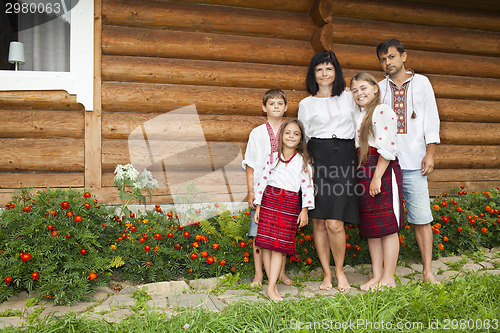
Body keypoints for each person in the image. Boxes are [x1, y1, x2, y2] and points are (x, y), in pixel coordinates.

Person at [376, 38, 441, 284]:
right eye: (383, 59)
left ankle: (427, 272)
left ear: (404, 56)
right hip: (387, 164)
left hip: (415, 162)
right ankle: (383, 274)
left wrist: (430, 152)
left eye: (391, 57)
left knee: (422, 218)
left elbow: (431, 119)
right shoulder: (379, 88)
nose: (387, 63)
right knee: (385, 220)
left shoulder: (422, 83)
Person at [298, 50, 359, 292]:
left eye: (329, 68)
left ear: (336, 72)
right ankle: (326, 273)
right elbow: (304, 138)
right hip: (318, 160)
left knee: (335, 222)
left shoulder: (348, 97)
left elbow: (360, 126)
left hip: (344, 158)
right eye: (319, 69)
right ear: (313, 74)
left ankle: (340, 270)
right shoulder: (306, 103)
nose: (324, 73)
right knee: (320, 221)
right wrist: (307, 169)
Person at [350, 72, 405, 291]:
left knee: (388, 226)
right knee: (372, 227)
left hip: (380, 170)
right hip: (365, 169)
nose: (358, 93)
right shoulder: (361, 115)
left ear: (375, 88)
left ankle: (388, 277)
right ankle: (377, 274)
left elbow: (388, 148)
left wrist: (376, 178)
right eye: (354, 90)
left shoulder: (382, 110)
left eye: (363, 88)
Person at [253, 119, 314, 301]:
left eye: (296, 134)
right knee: (266, 244)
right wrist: (258, 205)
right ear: (281, 136)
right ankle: (270, 284)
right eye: (288, 132)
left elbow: (308, 186)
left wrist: (305, 210)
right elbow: (262, 181)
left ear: (301, 138)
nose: (291, 136)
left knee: (279, 247)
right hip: (269, 201)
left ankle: (271, 287)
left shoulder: (303, 161)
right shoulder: (272, 157)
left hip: (289, 204)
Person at [242, 88, 292, 287]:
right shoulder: (256, 133)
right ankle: (258, 275)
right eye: (271, 103)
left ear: (286, 107)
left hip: (285, 190)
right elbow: (250, 164)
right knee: (257, 234)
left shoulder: (290, 131)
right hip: (262, 192)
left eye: (280, 103)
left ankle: (281, 273)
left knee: (283, 233)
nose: (276, 107)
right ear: (264, 107)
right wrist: (251, 191)